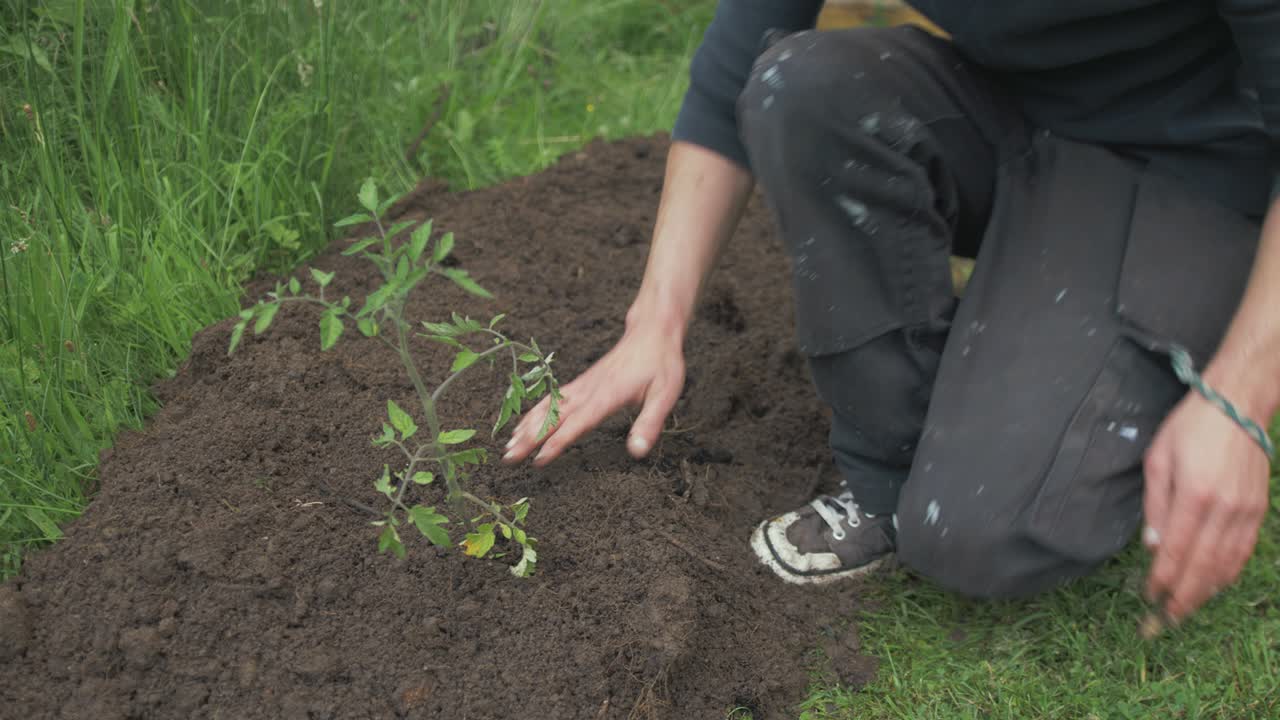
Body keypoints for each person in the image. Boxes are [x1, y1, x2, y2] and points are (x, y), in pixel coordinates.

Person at [503, 1, 1279, 626]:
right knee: (798, 88)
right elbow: (731, 74)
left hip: (1188, 172)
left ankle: (1137, 334)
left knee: (976, 534)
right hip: (1015, 118)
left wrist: (1237, 400)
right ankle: (886, 471)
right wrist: (655, 325)